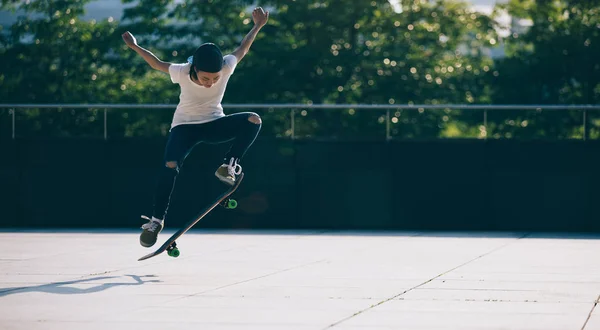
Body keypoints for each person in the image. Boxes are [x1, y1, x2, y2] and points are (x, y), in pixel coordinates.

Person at [121, 7, 269, 248]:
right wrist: (135, 46)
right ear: (194, 70)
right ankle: (156, 221)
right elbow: (156, 63)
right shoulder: (181, 71)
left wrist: (258, 25)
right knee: (170, 166)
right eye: (205, 79)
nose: (210, 83)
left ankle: (228, 165)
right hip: (185, 128)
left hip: (214, 124)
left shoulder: (227, 66)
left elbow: (243, 48)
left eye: (215, 79)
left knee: (253, 119)